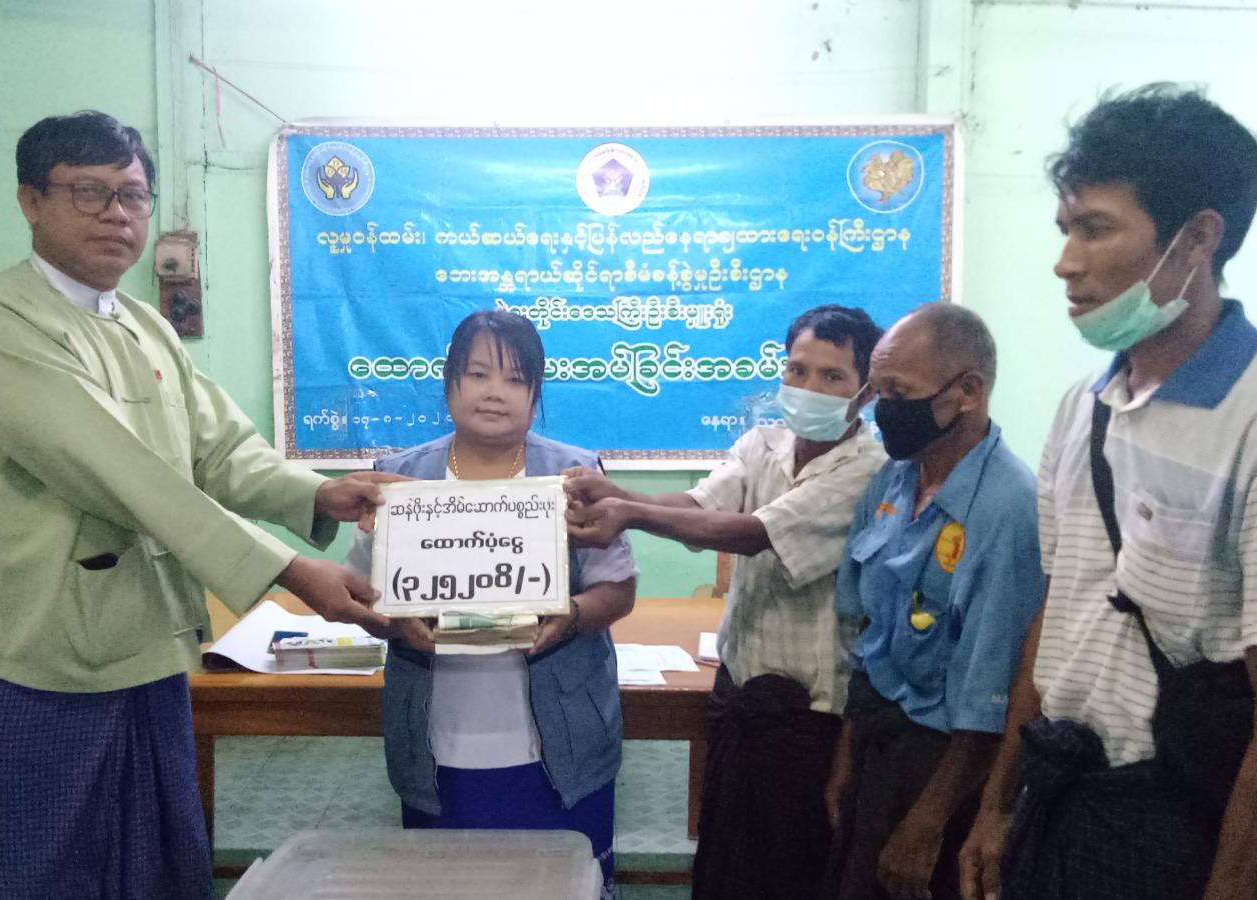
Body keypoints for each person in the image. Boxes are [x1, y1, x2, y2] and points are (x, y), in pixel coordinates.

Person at [0, 111, 402, 899]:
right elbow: (122, 473)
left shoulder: (144, 325)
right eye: (90, 192)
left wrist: (320, 492)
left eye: (134, 195)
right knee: (29, 872)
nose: (117, 214)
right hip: (34, 662)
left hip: (147, 645)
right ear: (30, 200)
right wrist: (291, 571)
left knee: (152, 866)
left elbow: (219, 449)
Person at [958, 84, 1257, 900]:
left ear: (1198, 238)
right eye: (1064, 228)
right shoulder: (1085, 406)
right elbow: (1059, 610)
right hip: (1059, 791)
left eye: (1095, 228)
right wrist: (998, 802)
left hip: (1176, 823)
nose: (1065, 261)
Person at [563, 303, 887, 900]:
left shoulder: (870, 471)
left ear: (865, 392)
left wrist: (628, 513)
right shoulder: (763, 443)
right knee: (725, 866)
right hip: (739, 694)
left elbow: (755, 532)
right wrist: (617, 493)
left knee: (791, 874)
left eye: (832, 376)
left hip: (810, 718)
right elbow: (699, 506)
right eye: (797, 370)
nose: (808, 388)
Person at [345, 309, 638, 899]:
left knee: (562, 885)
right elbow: (359, 596)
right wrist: (395, 624)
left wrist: (573, 616)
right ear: (449, 382)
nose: (494, 392)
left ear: (536, 393)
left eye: (514, 378)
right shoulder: (398, 480)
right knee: (450, 886)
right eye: (478, 373)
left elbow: (619, 589)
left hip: (560, 739)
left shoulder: (575, 475)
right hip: (439, 741)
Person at [822, 304, 1044, 900]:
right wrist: (846, 757)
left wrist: (928, 823)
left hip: (944, 769)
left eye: (899, 392)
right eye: (878, 391)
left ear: (968, 391)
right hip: (876, 739)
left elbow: (992, 693)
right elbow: (868, 635)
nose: (884, 408)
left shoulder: (1009, 510)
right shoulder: (895, 479)